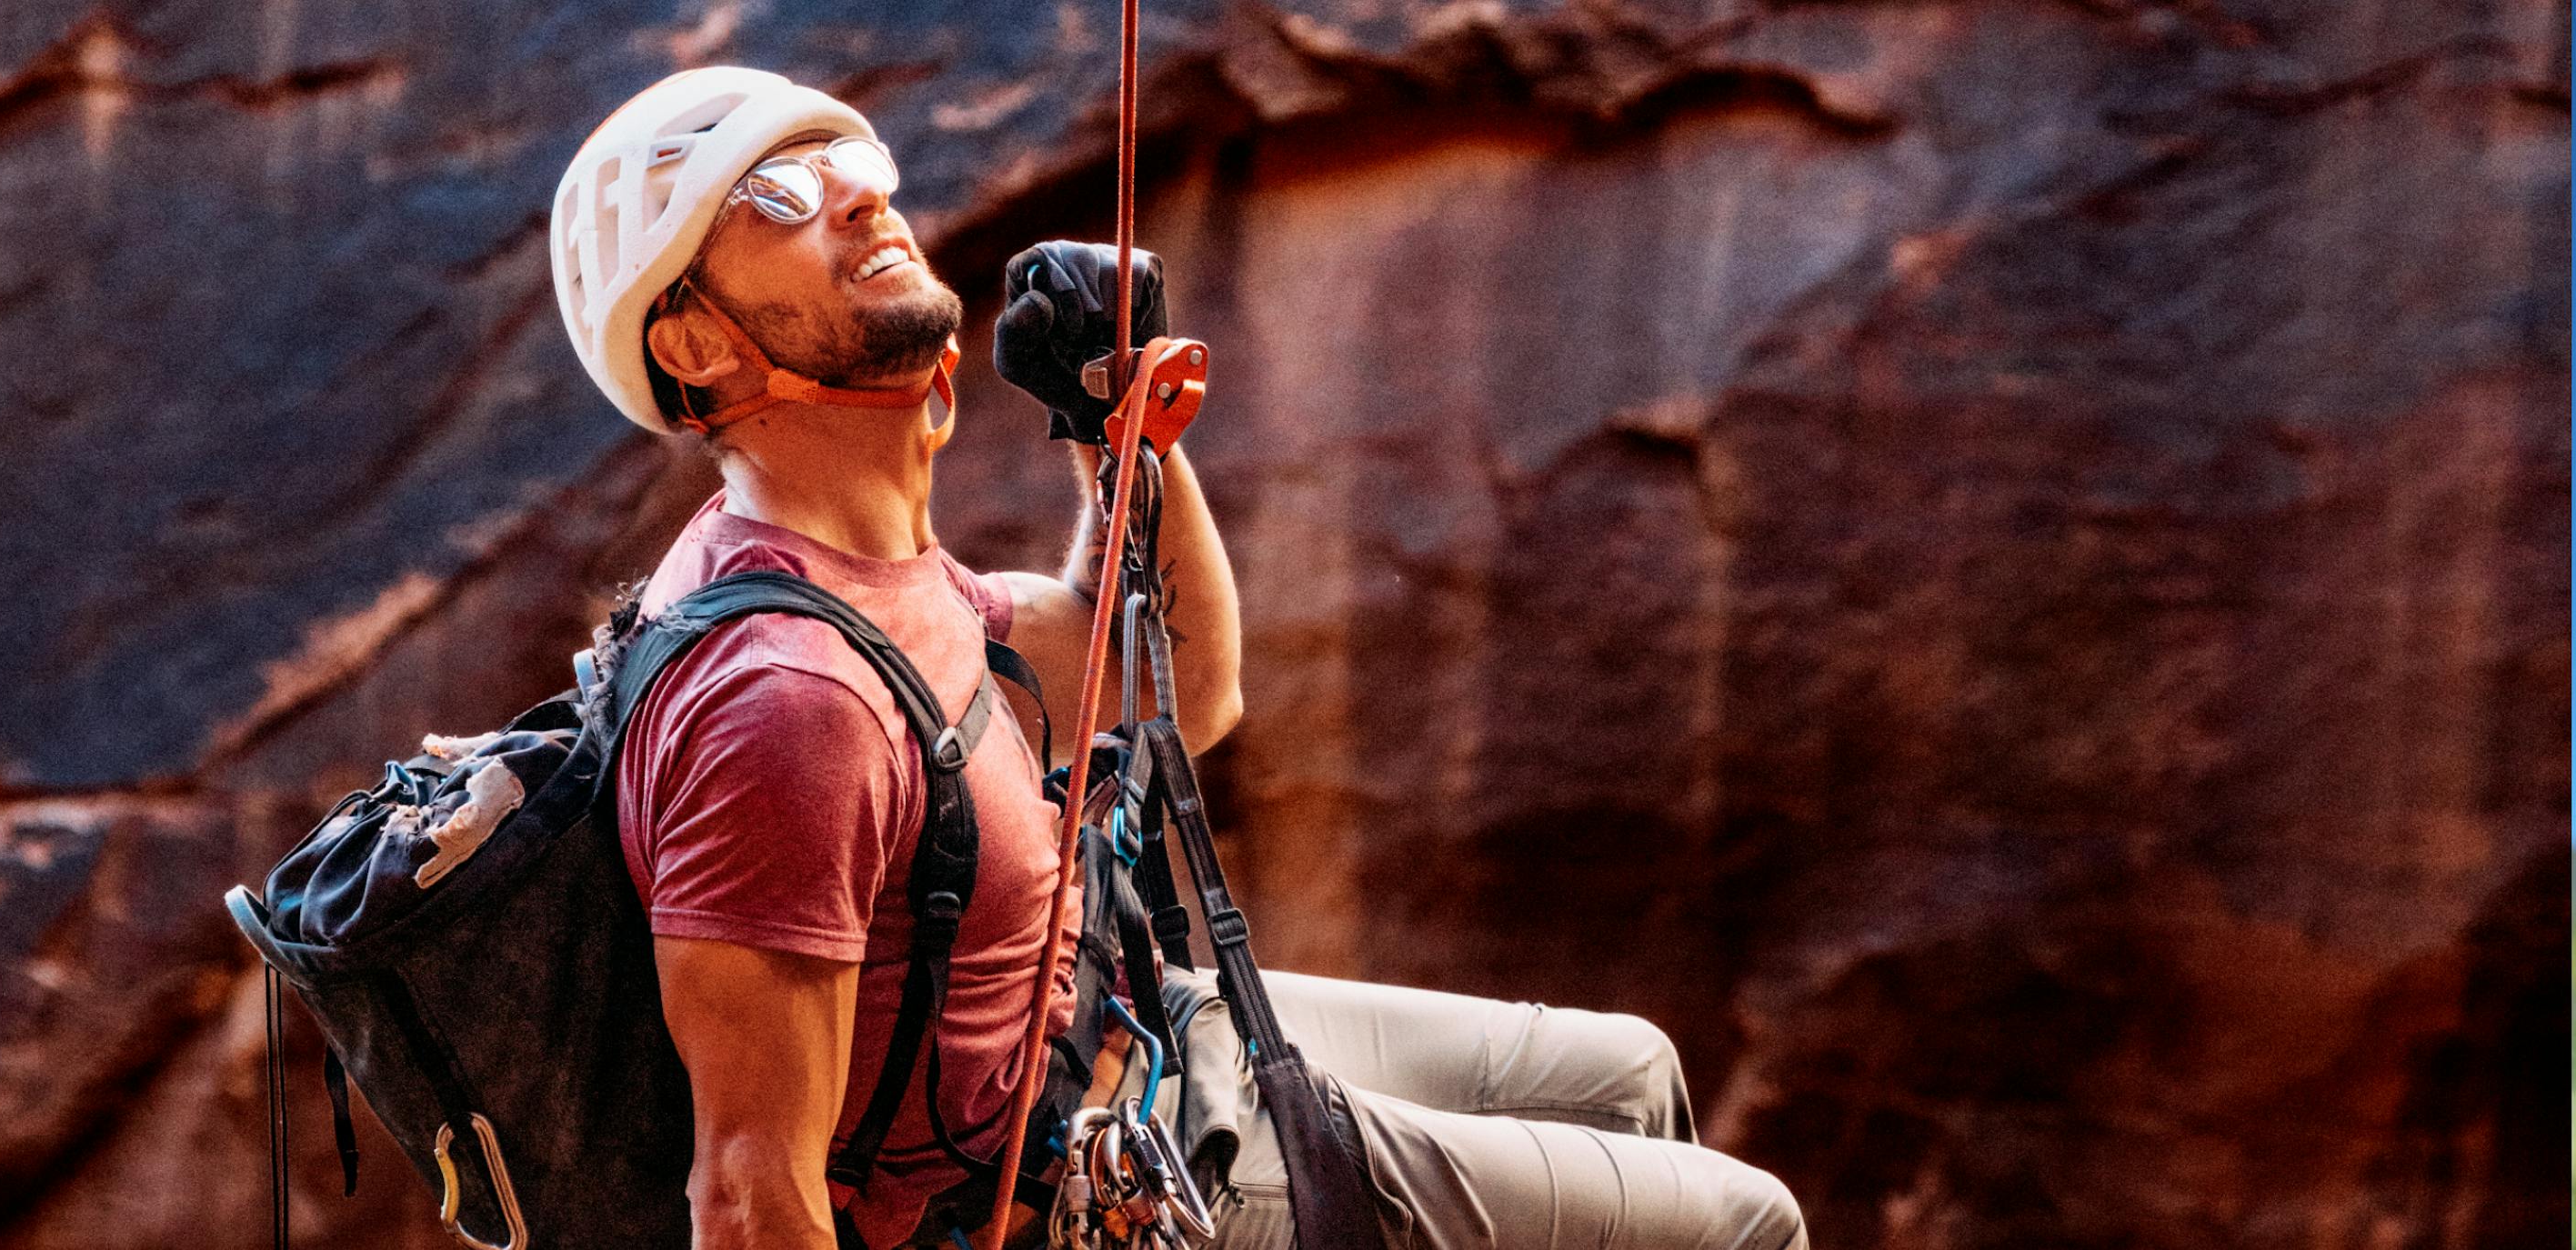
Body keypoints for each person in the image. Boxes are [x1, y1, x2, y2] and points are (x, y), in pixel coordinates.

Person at [548, 66, 1809, 1250]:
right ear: (700, 348)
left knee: (1634, 1078)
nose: (863, 192)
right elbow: (749, 1184)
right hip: (1090, 1182)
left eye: (848, 158)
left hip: (1131, 1024)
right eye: (777, 196)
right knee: (1746, 1227)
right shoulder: (787, 701)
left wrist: (1117, 424)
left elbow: (1186, 691)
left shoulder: (867, 576)